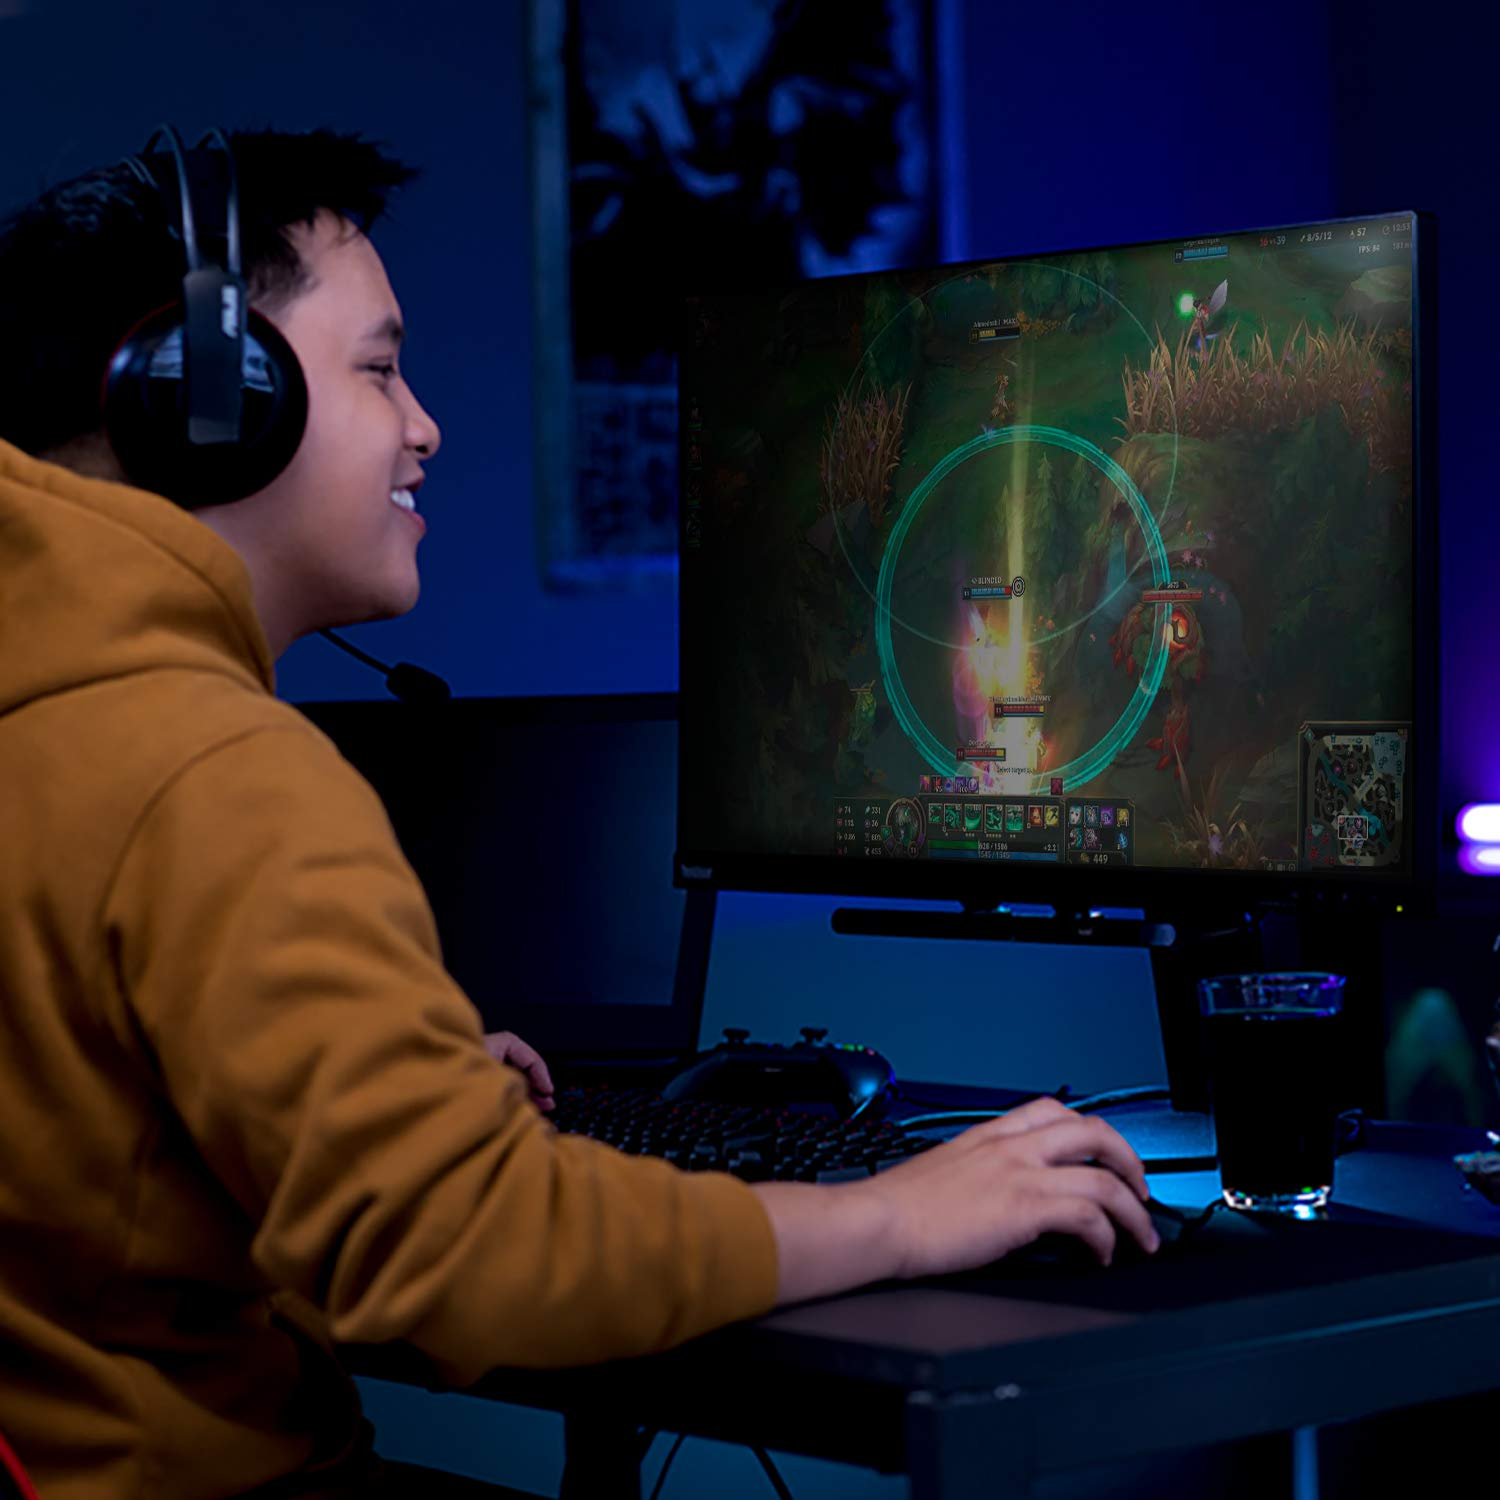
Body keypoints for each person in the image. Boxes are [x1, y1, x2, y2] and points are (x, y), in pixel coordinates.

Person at [0, 127, 1159, 1499]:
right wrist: (900, 1214)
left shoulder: (51, 718)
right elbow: (475, 1263)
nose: (424, 425)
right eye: (378, 367)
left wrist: (398, 1100)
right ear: (214, 399)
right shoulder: (211, 771)